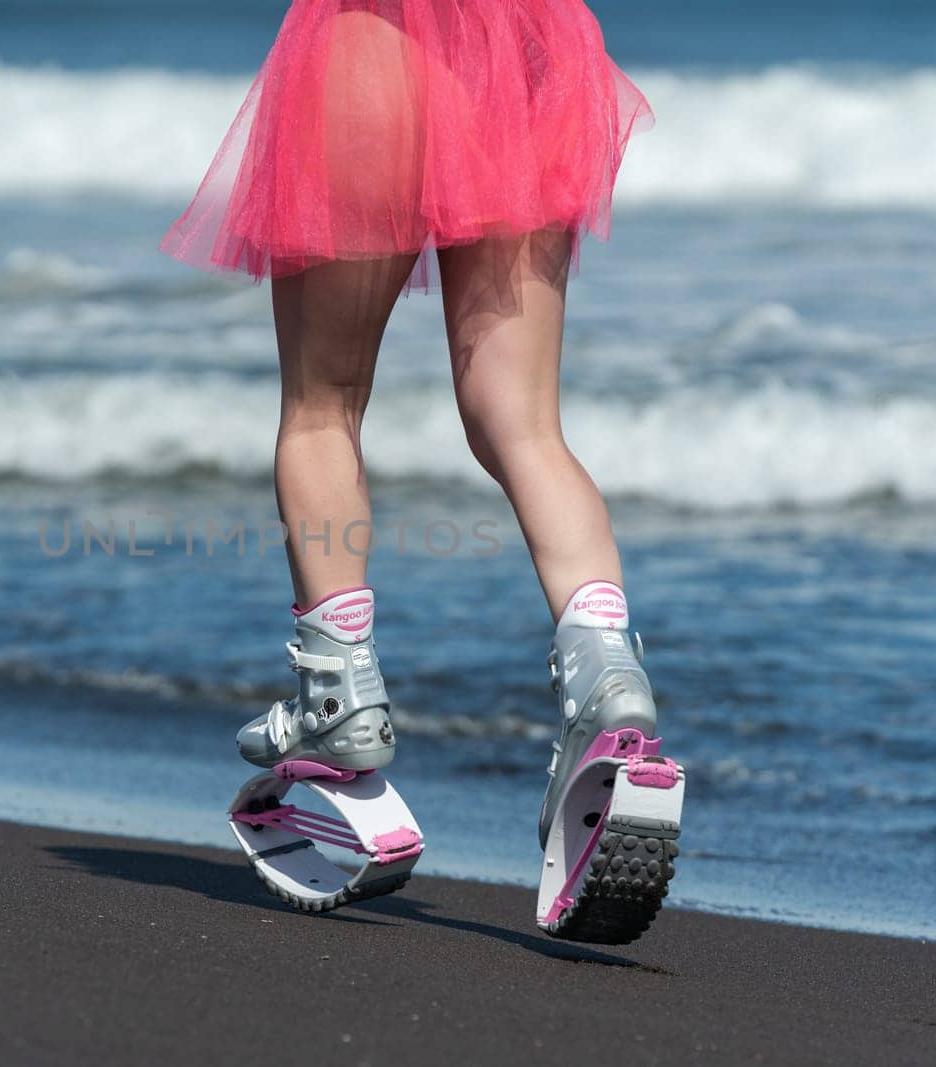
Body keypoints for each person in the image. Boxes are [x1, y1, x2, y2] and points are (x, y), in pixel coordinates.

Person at [161, 0, 665, 930]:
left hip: (373, 42)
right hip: (529, 47)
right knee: (523, 425)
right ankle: (605, 672)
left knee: (323, 405)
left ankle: (338, 698)